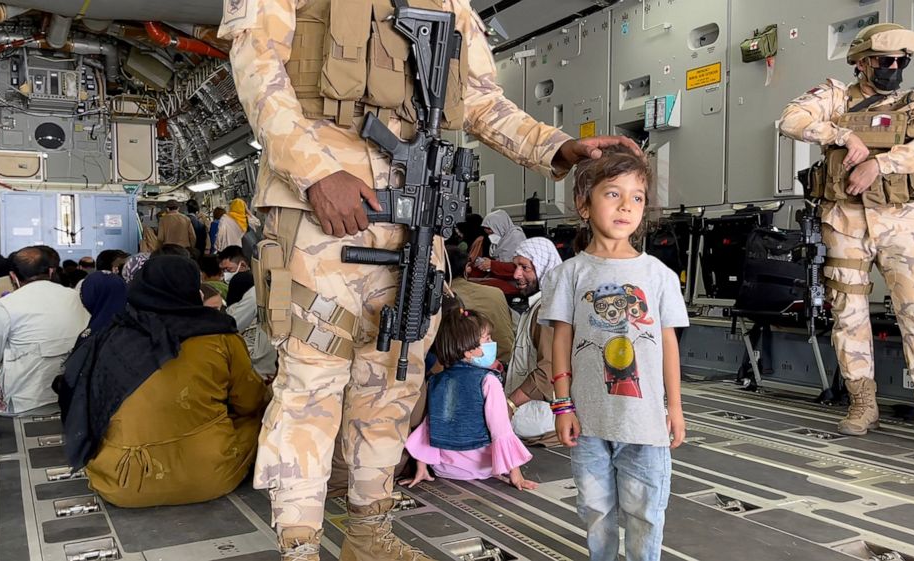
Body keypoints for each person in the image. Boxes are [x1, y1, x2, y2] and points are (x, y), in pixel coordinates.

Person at [218, 0, 640, 556]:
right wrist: (316, 172)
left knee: (391, 384)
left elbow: (483, 99)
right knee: (310, 387)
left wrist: (555, 146)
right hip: (318, 219)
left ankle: (369, 535)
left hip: (414, 219)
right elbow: (259, 70)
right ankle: (299, 548)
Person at [779, 23, 914, 448]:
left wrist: (882, 164)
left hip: (904, 222)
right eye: (883, 61)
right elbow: (790, 119)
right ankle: (862, 404)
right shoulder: (836, 98)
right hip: (845, 220)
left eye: (902, 62)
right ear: (861, 62)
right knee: (849, 313)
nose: (893, 68)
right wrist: (843, 135)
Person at [540, 146, 688, 561]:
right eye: (612, 194)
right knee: (595, 509)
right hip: (588, 421)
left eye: (637, 197)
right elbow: (561, 342)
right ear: (583, 205)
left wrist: (674, 408)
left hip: (645, 423)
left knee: (645, 512)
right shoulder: (569, 274)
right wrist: (562, 405)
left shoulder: (658, 276)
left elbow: (668, 346)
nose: (626, 206)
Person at [60, 256, 268, 507]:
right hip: (208, 474)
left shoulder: (112, 336)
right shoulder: (220, 336)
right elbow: (251, 401)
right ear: (194, 288)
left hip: (121, 481)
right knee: (260, 416)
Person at [400, 299, 535, 492]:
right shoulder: (489, 381)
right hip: (480, 468)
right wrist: (516, 475)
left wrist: (421, 468)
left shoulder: (436, 381)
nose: (492, 343)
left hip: (444, 467)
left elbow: (430, 425)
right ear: (469, 351)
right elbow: (501, 429)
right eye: (487, 339)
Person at [0, 247, 89, 415]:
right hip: (73, 397)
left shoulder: (5, 307)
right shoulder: (76, 297)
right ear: (52, 271)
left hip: (26, 402)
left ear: (13, 277)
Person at [504, 237, 563, 444]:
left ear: (543, 267)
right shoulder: (539, 306)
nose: (516, 274)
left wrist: (509, 405)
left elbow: (548, 372)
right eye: (515, 267)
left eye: (525, 268)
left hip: (544, 417)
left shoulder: (546, 311)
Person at [447, 247, 514, 366]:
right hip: (507, 361)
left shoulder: (447, 299)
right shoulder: (496, 292)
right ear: (467, 268)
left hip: (468, 366)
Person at [469, 210, 525, 296]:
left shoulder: (516, 238)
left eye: (492, 232)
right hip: (502, 277)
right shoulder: (501, 240)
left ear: (499, 226)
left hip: (516, 282)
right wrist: (487, 263)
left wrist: (492, 265)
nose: (490, 236)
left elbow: (519, 267)